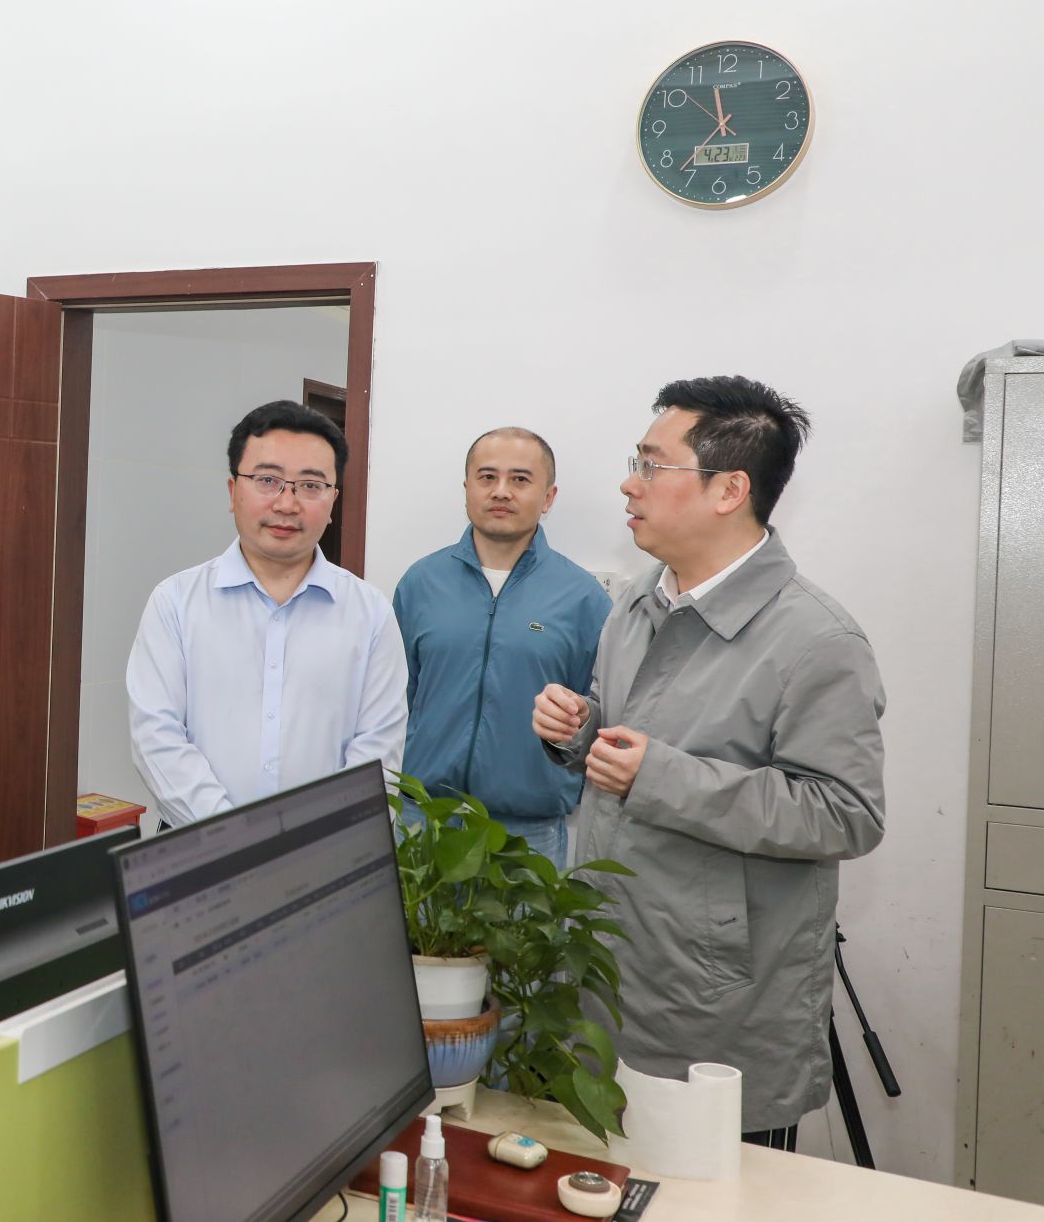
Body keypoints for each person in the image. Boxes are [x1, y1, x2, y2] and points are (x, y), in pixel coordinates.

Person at [532, 376, 885, 1145]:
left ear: (730, 489)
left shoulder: (817, 640)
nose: (629, 484)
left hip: (715, 997)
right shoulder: (636, 603)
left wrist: (658, 776)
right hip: (606, 966)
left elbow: (846, 813)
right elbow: (627, 735)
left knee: (711, 1190)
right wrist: (579, 730)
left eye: (651, 464)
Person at [127, 399, 407, 826]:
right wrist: (235, 838)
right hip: (198, 846)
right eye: (268, 480)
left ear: (333, 501)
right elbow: (156, 739)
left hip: (326, 850)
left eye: (310, 485)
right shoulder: (175, 603)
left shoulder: (371, 614)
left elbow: (378, 754)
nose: (287, 504)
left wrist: (322, 845)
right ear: (232, 492)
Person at [392, 428, 610, 868]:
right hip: (424, 820)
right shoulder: (420, 583)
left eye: (520, 479)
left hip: (527, 833)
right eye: (487, 477)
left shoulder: (583, 598)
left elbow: (598, 714)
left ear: (548, 497)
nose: (501, 491)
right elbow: (399, 699)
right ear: (467, 488)